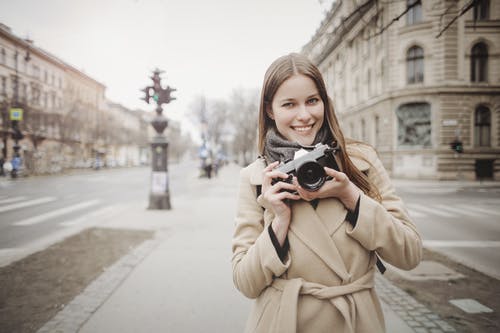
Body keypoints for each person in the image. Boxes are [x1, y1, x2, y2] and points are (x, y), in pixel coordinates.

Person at [231, 53, 422, 333]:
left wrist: (352, 197)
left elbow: (410, 253)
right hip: (284, 322)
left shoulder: (361, 164)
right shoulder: (257, 179)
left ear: (324, 102)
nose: (304, 115)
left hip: (355, 322)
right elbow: (246, 283)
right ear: (270, 110)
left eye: (312, 101)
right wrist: (279, 221)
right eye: (289, 104)